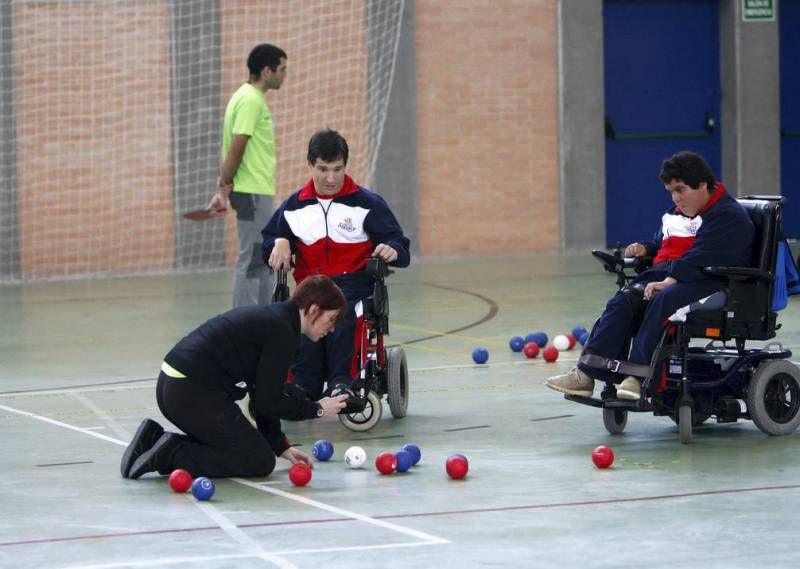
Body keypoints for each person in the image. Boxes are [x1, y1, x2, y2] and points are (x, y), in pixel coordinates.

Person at [546, 151, 754, 401]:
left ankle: (637, 377)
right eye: (671, 192)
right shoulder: (682, 212)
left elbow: (702, 255)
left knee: (664, 300)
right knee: (624, 300)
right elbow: (667, 241)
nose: (676, 198)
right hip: (678, 274)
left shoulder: (728, 215)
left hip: (715, 281)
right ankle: (587, 373)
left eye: (681, 190)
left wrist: (668, 281)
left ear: (702, 185)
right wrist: (647, 248)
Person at [120, 275, 350, 480]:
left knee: (251, 450)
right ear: (313, 310)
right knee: (258, 461)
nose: (331, 330)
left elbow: (263, 394)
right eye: (331, 320)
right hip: (190, 392)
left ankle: (152, 439)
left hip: (173, 386)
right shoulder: (282, 332)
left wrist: (279, 446)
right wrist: (317, 409)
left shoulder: (277, 321)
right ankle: (171, 453)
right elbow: (268, 400)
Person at [262, 129, 410, 407]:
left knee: (342, 312)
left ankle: (343, 380)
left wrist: (393, 249)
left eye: (337, 169)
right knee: (301, 317)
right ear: (310, 165)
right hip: (310, 287)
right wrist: (279, 241)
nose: (331, 178)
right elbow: (267, 245)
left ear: (346, 165)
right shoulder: (292, 208)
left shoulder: (368, 204)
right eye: (323, 169)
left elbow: (399, 245)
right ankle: (304, 384)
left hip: (354, 284)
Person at [208, 43, 288, 307]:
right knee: (253, 259)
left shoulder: (246, 97)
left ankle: (264, 317)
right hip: (253, 192)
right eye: (282, 69)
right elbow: (237, 145)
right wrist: (223, 186)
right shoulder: (251, 100)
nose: (284, 75)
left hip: (256, 191)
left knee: (262, 258)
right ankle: (243, 323)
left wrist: (224, 190)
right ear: (267, 71)